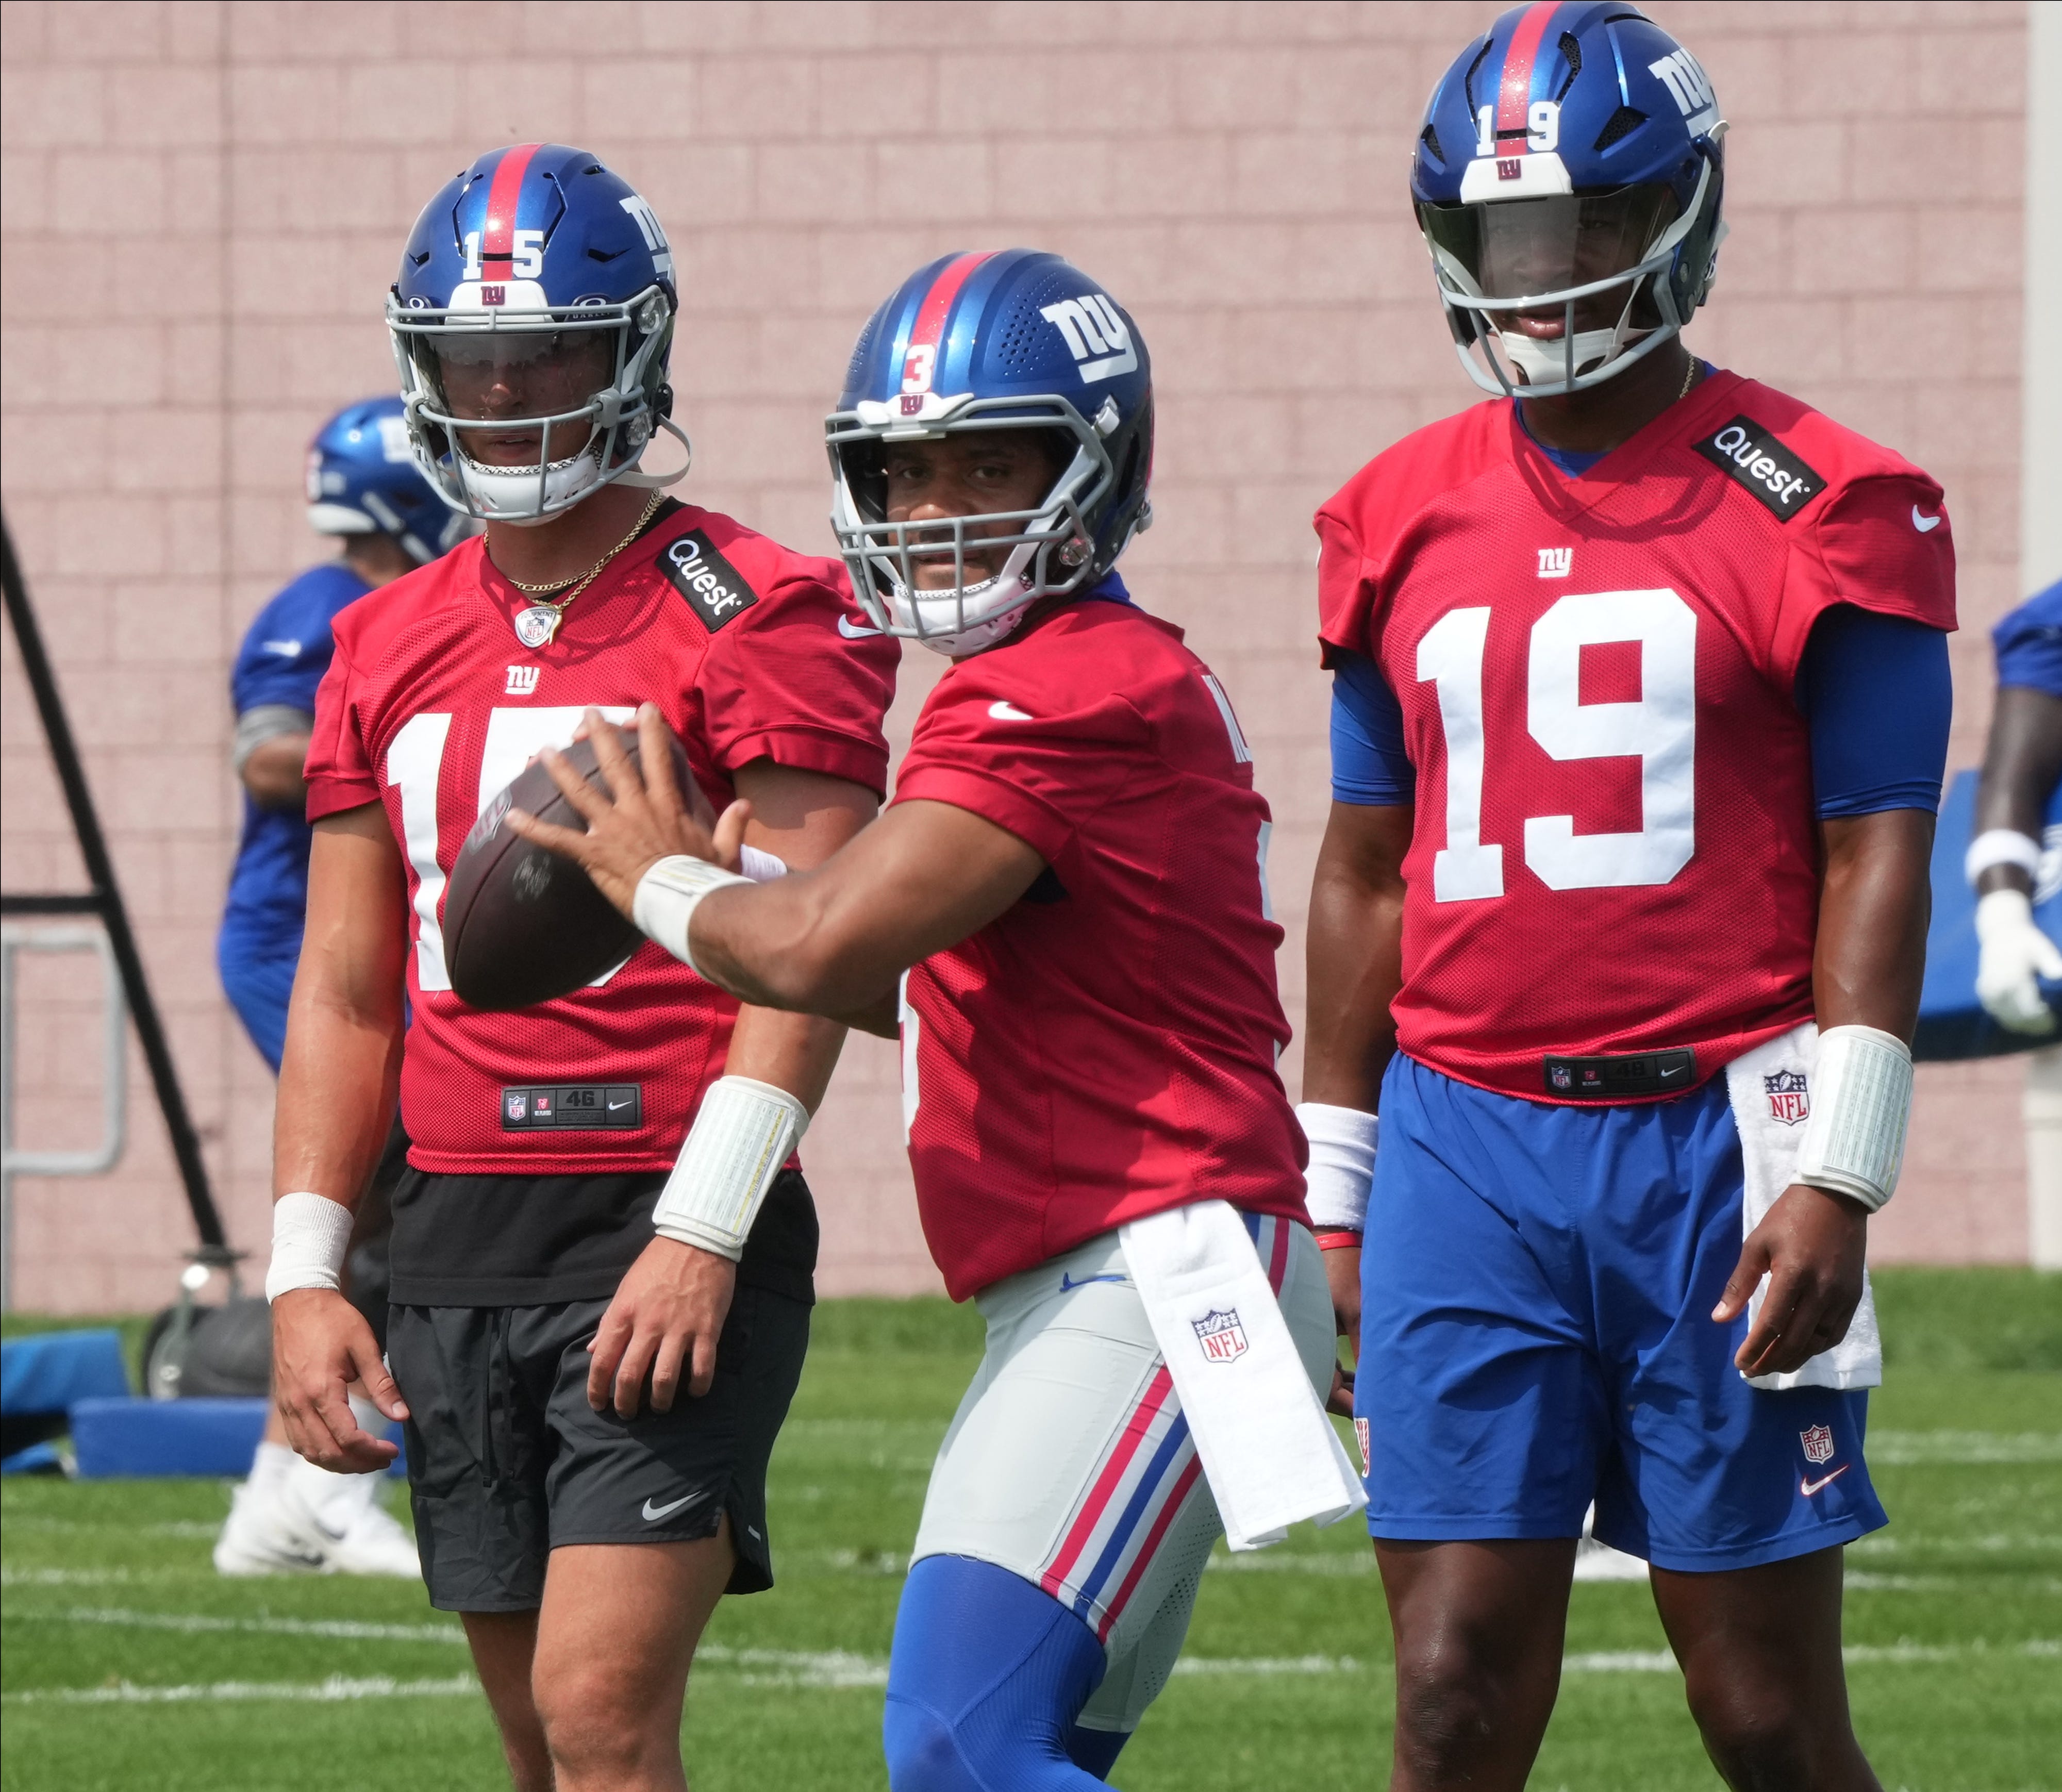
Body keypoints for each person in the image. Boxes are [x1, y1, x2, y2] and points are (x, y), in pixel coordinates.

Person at [508, 249, 1361, 1791]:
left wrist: (652, 878)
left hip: (1161, 1267)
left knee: (965, 1747)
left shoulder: (1060, 686)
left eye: (991, 462)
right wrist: (733, 882)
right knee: (1017, 1749)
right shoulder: (1060, 679)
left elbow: (830, 933)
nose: (938, 505)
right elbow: (916, 971)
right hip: (1115, 1269)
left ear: (1097, 465)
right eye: (903, 472)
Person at [1299, 8, 1955, 1790]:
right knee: (1447, 1688)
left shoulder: (1830, 498)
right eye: (1507, 236)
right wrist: (1334, 1185)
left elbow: (1874, 849)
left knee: (1760, 1710)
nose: (1545, 273)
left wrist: (1846, 1163)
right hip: (1463, 1142)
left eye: (1585, 224)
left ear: (1677, 211)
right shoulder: (1393, 513)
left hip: (1718, 1146)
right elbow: (1366, 862)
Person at [262, 144, 897, 1792]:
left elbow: (814, 953)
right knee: (543, 1747)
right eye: (471, 359)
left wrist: (705, 1227)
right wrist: (306, 1269)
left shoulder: (761, 605)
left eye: (547, 349)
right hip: (454, 1225)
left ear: (635, 351)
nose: (505, 390)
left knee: (609, 1720)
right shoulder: (380, 641)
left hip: (658, 1201)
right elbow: (347, 988)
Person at [213, 396, 464, 1580]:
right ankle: (320, 1482)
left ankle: (282, 1500)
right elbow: (264, 749)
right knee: (376, 1187)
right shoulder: (322, 612)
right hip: (291, 939)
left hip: (366, 938)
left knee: (381, 1202)